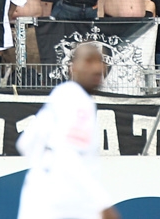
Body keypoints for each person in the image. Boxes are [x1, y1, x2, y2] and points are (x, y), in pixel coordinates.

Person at [16, 43, 118, 219]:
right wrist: (102, 203)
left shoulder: (61, 95)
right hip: (61, 203)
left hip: (36, 201)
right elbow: (68, 154)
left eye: (99, 61)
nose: (96, 68)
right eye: (88, 61)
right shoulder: (78, 100)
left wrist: (43, 171)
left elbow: (25, 143)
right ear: (73, 68)